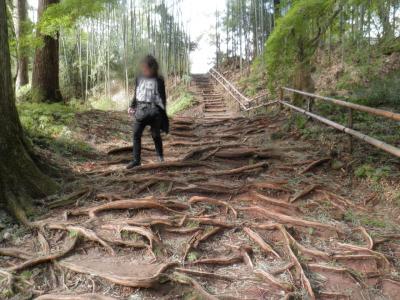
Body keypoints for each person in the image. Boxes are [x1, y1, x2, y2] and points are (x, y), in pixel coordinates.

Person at [127, 55, 169, 169]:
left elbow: (162, 97)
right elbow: (136, 93)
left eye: (145, 68)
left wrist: (162, 114)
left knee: (155, 135)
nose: (143, 70)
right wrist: (132, 106)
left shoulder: (159, 79)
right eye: (143, 68)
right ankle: (136, 160)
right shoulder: (139, 78)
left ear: (153, 68)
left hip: (154, 111)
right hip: (141, 110)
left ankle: (160, 158)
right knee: (136, 134)